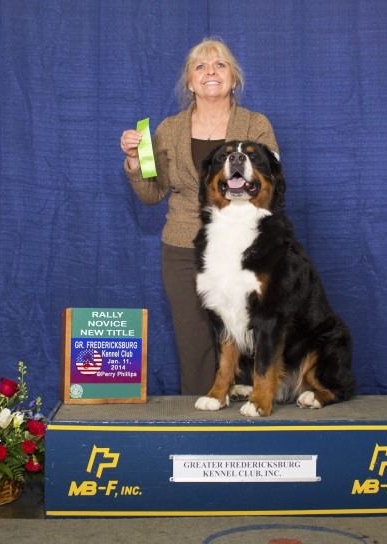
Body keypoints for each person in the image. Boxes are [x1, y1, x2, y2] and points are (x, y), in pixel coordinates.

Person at [120, 37, 279, 395]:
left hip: (245, 250)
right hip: (182, 248)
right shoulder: (168, 130)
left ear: (233, 79)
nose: (211, 72)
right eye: (200, 66)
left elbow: (271, 184)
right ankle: (201, 426)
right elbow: (150, 194)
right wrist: (134, 161)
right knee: (194, 342)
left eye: (220, 65)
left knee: (248, 333)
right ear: (189, 82)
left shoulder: (256, 125)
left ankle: (247, 421)